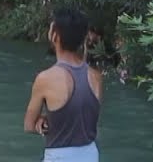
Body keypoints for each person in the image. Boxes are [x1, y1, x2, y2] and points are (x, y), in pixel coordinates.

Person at [24, 9, 104, 162]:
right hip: (90, 154)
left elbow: (29, 125)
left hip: (60, 156)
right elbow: (82, 118)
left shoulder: (45, 78)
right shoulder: (96, 76)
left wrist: (42, 122)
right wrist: (49, 118)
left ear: (55, 36)